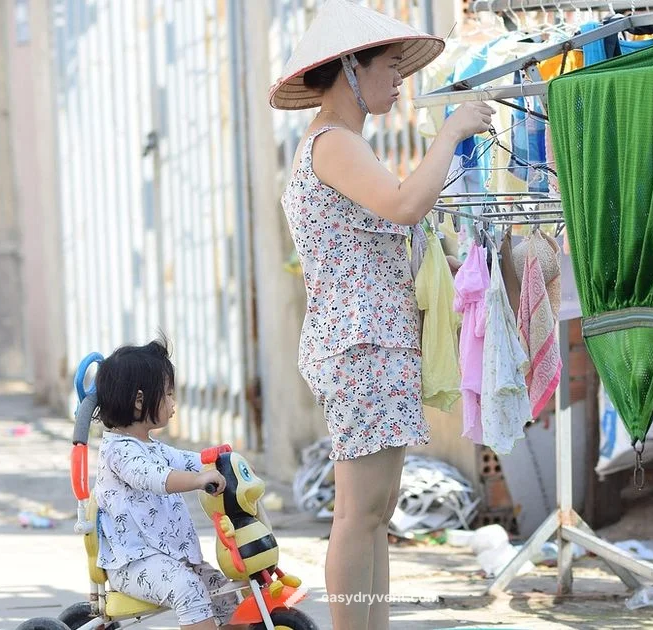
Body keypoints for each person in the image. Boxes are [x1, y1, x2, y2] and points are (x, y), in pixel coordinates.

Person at [268, 2, 493, 628]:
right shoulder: (333, 143)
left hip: (374, 341)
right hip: (360, 343)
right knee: (358, 512)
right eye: (389, 66)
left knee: (375, 512)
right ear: (349, 67)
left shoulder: (343, 144)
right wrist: (450, 134)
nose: (399, 80)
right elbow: (403, 205)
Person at [91, 338, 247, 630]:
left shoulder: (151, 446)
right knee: (189, 589)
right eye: (169, 394)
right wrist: (198, 480)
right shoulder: (119, 451)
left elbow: (186, 460)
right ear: (140, 401)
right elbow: (154, 477)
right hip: (134, 563)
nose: (174, 402)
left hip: (171, 557)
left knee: (222, 590)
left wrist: (220, 461)